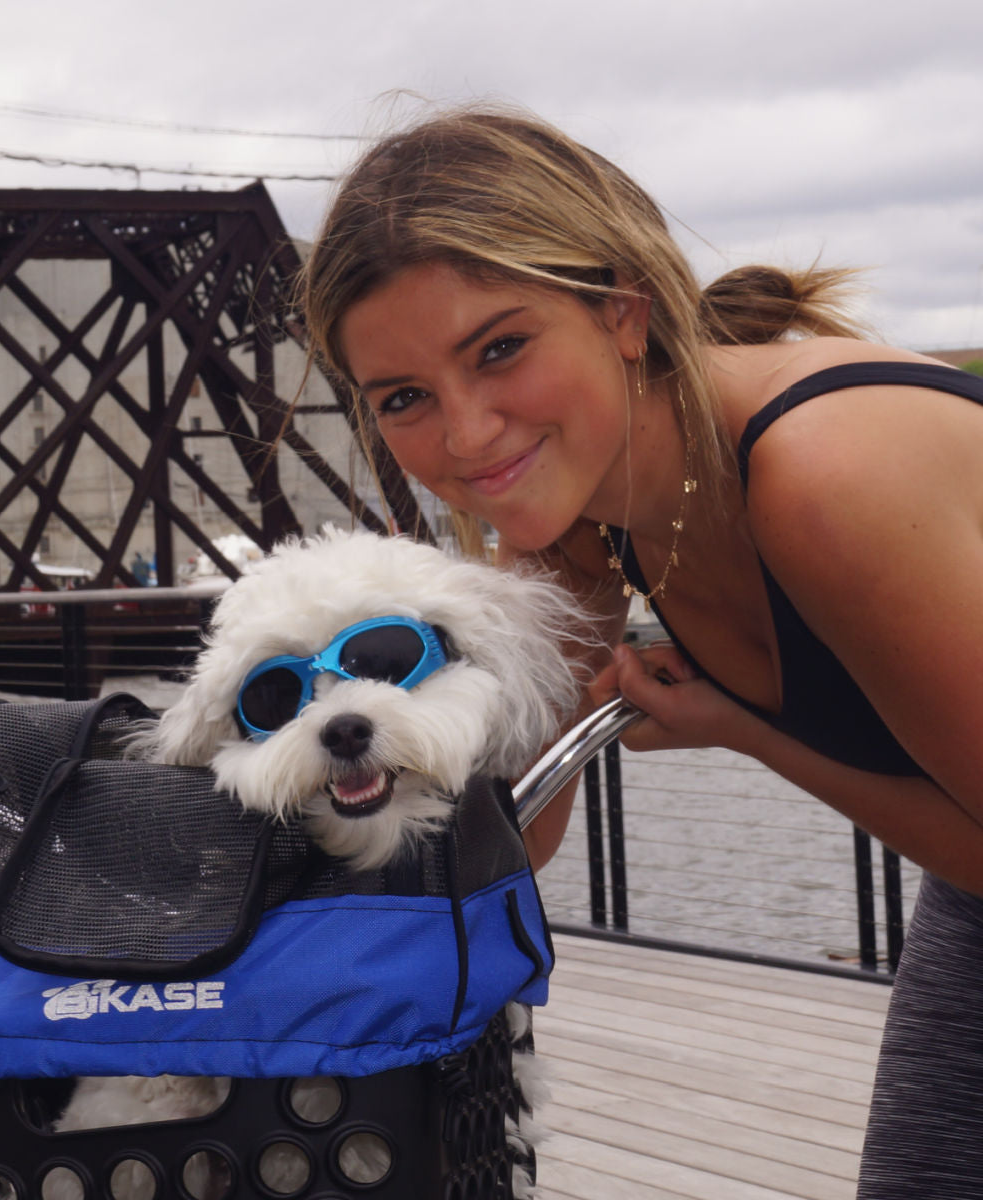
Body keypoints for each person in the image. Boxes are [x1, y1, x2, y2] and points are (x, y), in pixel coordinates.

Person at [297, 106, 983, 1199]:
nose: (466, 434)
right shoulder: (583, 519)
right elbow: (505, 839)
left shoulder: (819, 473)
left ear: (623, 310)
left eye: (500, 349)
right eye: (406, 399)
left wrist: (748, 734)